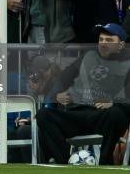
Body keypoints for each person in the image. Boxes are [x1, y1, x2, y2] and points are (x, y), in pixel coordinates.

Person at [36, 23, 130, 165]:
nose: (103, 43)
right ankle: (67, 162)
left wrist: (113, 103)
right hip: (76, 112)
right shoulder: (88, 56)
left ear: (121, 45)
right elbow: (64, 78)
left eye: (109, 40)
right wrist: (57, 96)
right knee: (44, 115)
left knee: (116, 115)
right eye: (101, 39)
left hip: (102, 116)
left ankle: (105, 163)